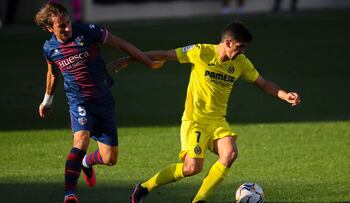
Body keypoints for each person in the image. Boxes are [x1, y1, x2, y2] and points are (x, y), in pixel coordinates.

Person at [108, 21, 301, 203]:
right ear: (228, 42)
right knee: (192, 168)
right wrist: (130, 59)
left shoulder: (241, 62)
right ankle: (144, 187)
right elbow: (165, 54)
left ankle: (199, 200)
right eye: (240, 46)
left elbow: (264, 83)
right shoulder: (200, 52)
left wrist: (285, 95)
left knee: (230, 154)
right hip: (195, 121)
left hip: (217, 121)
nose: (242, 51)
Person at [34, 2, 162, 203]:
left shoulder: (89, 32)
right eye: (61, 26)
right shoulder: (49, 48)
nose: (68, 28)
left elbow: (122, 44)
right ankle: (69, 194)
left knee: (110, 158)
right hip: (79, 100)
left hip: (103, 98)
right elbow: (52, 74)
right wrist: (47, 100)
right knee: (81, 139)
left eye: (68, 22)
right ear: (50, 28)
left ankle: (86, 162)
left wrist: (148, 61)